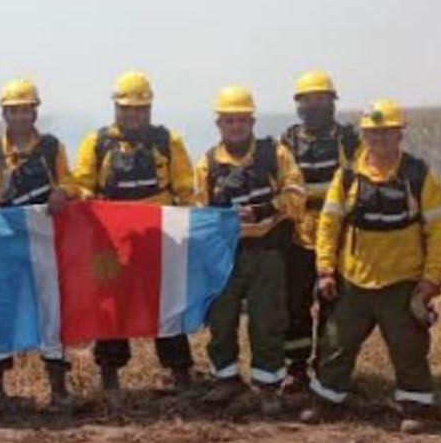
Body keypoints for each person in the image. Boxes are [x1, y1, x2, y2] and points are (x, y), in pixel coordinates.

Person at [306, 99, 441, 433]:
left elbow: (438, 230)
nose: (380, 139)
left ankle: (414, 406)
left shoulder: (417, 174)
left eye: (387, 133)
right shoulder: (348, 177)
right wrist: (326, 270)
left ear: (400, 134)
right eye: (373, 133)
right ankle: (327, 400)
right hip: (353, 279)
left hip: (401, 281)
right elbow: (328, 226)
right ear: (364, 136)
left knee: (408, 347)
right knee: (336, 343)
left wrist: (431, 280)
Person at [70, 71, 196, 393]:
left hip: (158, 238)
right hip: (110, 241)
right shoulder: (96, 143)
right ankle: (109, 377)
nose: (134, 115)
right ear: (116, 107)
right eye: (127, 108)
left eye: (140, 109)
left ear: (150, 109)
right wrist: (85, 198)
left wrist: (187, 218)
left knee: (166, 304)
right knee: (111, 307)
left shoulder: (168, 141)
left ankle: (179, 373)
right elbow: (82, 184)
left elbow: (184, 187)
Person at [194, 85, 306, 415]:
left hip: (267, 251)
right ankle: (225, 379)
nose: (236, 126)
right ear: (219, 124)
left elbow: (297, 197)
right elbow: (198, 213)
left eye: (241, 120)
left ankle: (268, 386)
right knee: (222, 320)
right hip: (225, 256)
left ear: (252, 121)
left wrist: (264, 210)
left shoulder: (276, 155)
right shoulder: (208, 165)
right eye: (229, 121)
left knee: (267, 320)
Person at [0, 78, 76, 413]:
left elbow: (71, 182)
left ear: (35, 111)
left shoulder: (50, 147)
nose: (20, 116)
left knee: (51, 309)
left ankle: (59, 390)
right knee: (1, 309)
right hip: (4, 244)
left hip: (44, 242)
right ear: (4, 113)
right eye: (13, 110)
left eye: (26, 110)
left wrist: (65, 192)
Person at [280, 70, 361, 394]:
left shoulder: (349, 141)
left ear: (332, 103)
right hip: (297, 235)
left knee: (334, 307)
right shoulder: (287, 142)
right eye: (308, 101)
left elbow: (360, 185)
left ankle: (326, 368)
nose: (314, 107)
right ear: (298, 106)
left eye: (321, 100)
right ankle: (296, 368)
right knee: (295, 306)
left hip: (339, 236)